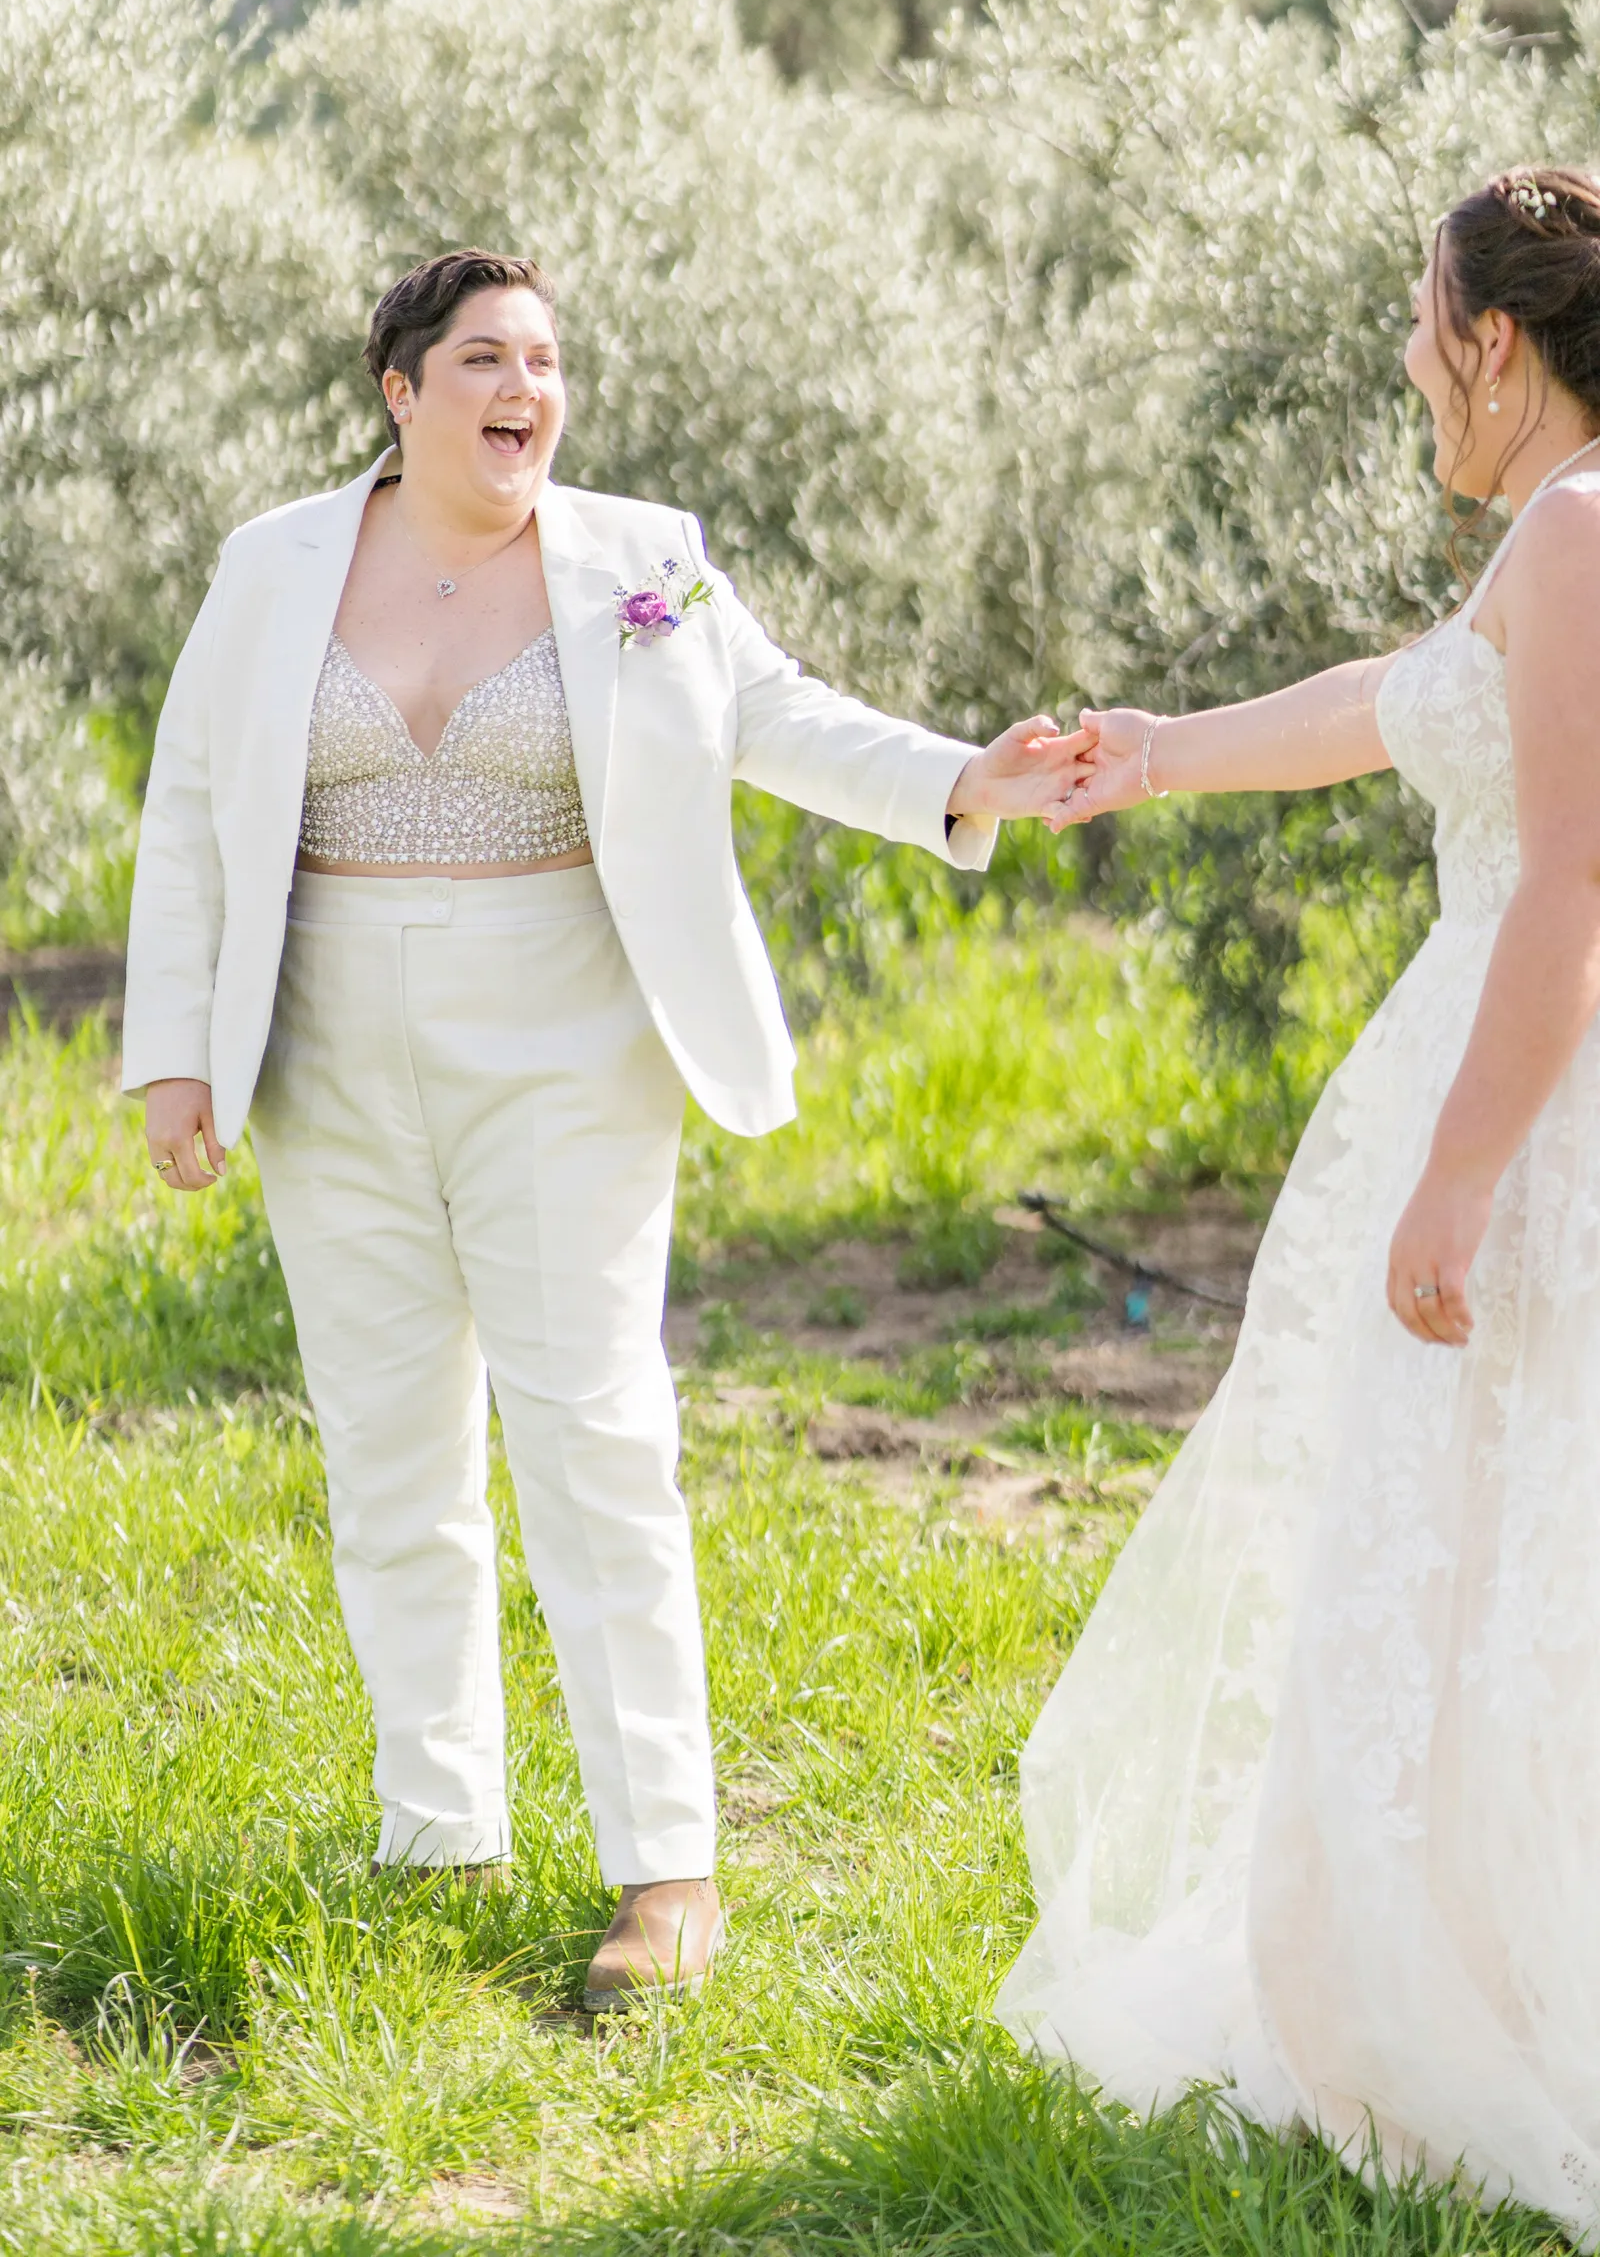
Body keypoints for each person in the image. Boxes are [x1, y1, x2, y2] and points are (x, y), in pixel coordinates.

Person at [123, 248, 1089, 2012]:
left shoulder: (644, 557)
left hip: (567, 1042)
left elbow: (775, 715)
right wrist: (174, 1051)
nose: (528, 390)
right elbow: (190, 804)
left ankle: (666, 1870)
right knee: (387, 1448)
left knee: (594, 1436)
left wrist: (962, 777)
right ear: (400, 389)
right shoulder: (272, 565)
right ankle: (440, 1834)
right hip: (324, 1049)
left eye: (549, 361)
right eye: (486, 359)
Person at [997, 163, 1600, 2237]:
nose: (1408, 364)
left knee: (1510, 1530)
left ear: (1492, 341)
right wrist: (1150, 753)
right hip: (1508, 1083)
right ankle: (1446, 1964)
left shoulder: (1579, 530)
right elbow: (1388, 705)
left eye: (1420, 326)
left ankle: (1495, 2007)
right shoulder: (1549, 532)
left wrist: (1456, 1183)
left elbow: (1572, 889)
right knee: (1477, 1532)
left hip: (1533, 1113)